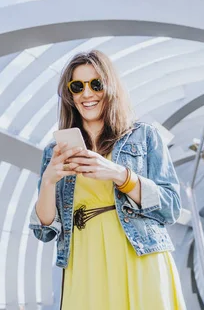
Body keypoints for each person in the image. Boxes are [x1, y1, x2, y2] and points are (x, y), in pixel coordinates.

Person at [28, 51, 185, 309]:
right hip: (84, 262)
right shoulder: (54, 151)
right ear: (70, 95)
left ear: (110, 87)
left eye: (96, 84)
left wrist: (120, 175)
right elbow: (44, 231)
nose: (87, 94)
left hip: (139, 256)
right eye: (77, 87)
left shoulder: (144, 136)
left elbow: (171, 208)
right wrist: (48, 182)